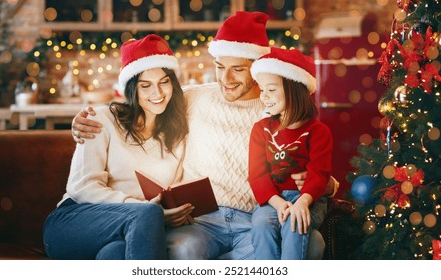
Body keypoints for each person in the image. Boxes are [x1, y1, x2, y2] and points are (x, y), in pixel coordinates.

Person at [71, 11, 338, 260]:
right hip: (201, 220)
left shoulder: (278, 108)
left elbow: (310, 157)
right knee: (184, 248)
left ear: (257, 68)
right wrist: (88, 119)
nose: (226, 79)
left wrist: (328, 185)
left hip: (254, 219)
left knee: (311, 244)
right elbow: (146, 101)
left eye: (238, 69)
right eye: (220, 66)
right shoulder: (192, 98)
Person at [43, 34, 192, 260]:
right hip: (73, 220)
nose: (158, 93)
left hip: (128, 232)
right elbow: (81, 187)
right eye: (146, 86)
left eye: (164, 82)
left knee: (114, 255)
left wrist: (174, 212)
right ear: (132, 89)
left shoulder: (176, 133)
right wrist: (141, 209)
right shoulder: (101, 120)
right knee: (148, 213)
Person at [248, 47, 333, 259]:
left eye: (271, 90)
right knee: (260, 225)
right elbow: (257, 175)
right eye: (262, 90)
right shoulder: (261, 129)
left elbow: (319, 173)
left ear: (294, 89)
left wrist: (303, 202)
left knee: (295, 224)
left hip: (308, 199)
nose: (264, 96)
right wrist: (278, 203)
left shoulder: (318, 131)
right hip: (273, 200)